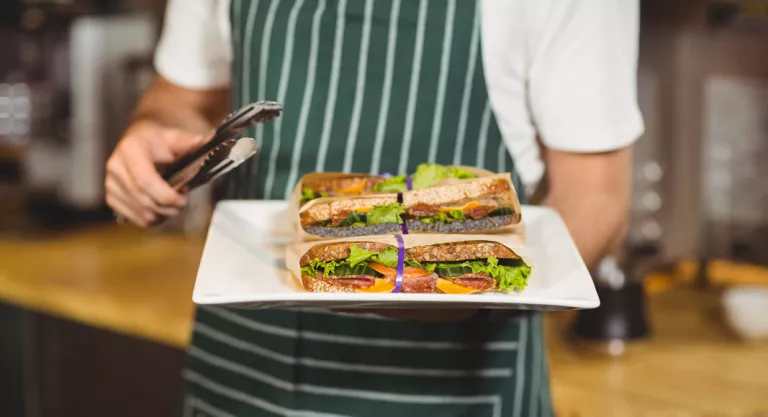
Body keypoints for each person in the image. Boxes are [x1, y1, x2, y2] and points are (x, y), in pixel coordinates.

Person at [105, 0, 643, 415]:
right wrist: (150, 132)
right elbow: (181, 95)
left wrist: (473, 284)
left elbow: (596, 194)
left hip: (458, 388)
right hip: (244, 373)